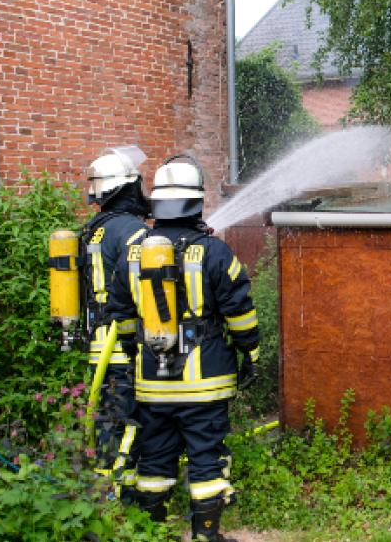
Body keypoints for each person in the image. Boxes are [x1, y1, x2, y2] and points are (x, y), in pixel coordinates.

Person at [106, 155, 260, 542]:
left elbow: (121, 317)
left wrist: (133, 354)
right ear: (196, 202)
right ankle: (207, 534)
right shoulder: (214, 252)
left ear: (156, 204)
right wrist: (250, 352)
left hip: (151, 384)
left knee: (154, 456)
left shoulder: (132, 254)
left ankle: (151, 533)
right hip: (204, 384)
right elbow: (240, 311)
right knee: (206, 455)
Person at [79, 146, 150, 499]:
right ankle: (123, 492)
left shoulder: (93, 231)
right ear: (126, 188)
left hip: (98, 344)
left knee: (106, 420)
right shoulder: (133, 231)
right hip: (126, 344)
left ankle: (102, 484)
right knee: (134, 417)